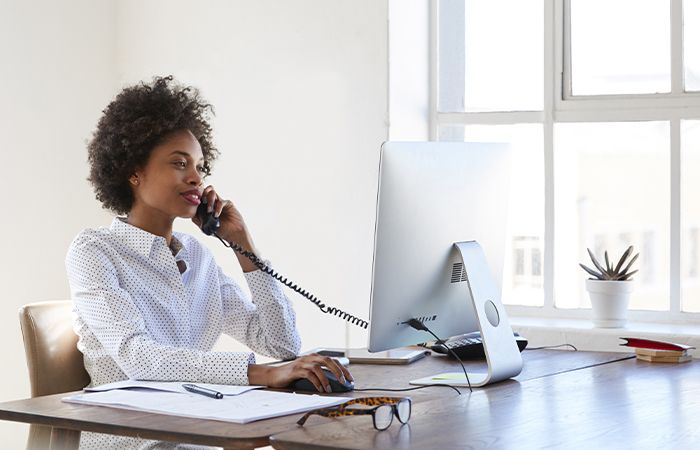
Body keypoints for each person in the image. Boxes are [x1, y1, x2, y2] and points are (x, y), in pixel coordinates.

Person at [66, 76, 352, 449]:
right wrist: (259, 374)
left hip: (196, 434)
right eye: (179, 163)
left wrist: (243, 246)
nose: (196, 178)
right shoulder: (94, 251)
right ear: (134, 172)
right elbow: (138, 358)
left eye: (200, 166)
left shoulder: (196, 255)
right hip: (132, 441)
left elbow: (281, 344)